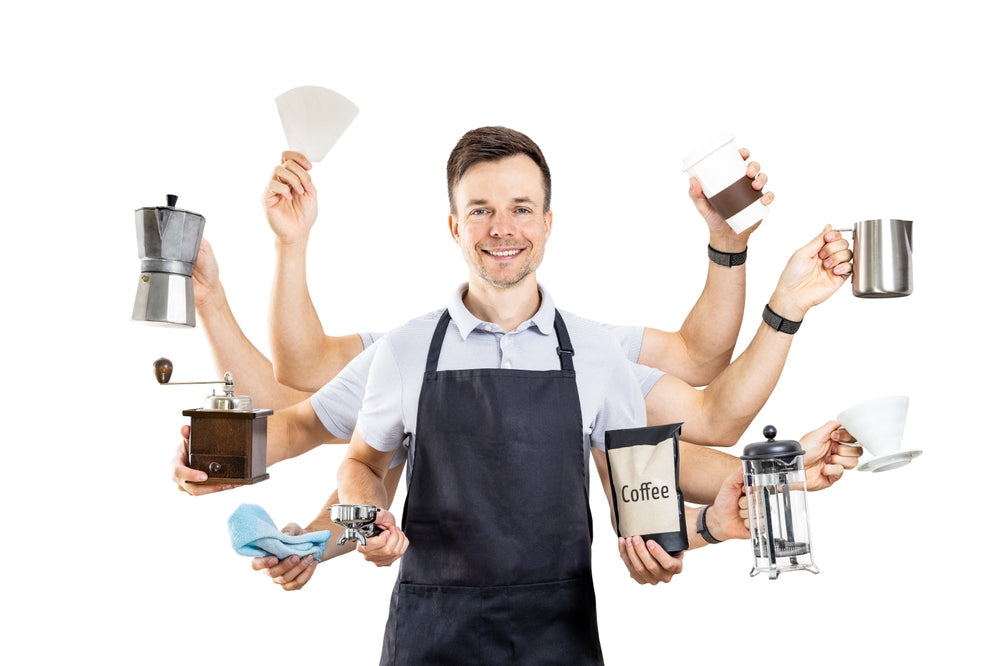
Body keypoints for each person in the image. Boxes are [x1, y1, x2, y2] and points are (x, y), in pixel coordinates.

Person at [330, 126, 852, 664]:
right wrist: (367, 518)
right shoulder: (405, 351)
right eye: (481, 210)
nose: (503, 229)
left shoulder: (598, 356)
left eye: (522, 209)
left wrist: (711, 527)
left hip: (559, 641)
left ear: (548, 223)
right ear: (454, 226)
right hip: (430, 639)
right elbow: (362, 464)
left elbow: (643, 517)